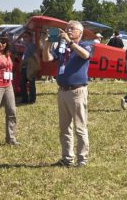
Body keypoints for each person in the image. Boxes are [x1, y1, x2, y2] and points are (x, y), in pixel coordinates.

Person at [43, 20, 92, 167]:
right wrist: (46, 44)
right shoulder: (62, 47)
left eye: (72, 29)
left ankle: (82, 160)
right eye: (67, 29)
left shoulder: (85, 45)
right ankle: (67, 158)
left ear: (80, 33)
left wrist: (70, 42)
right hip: (63, 91)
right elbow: (47, 59)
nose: (68, 31)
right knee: (64, 128)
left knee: (80, 128)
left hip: (77, 91)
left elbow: (85, 55)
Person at [0, 33, 19, 145]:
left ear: (6, 43)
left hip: (8, 86)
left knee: (12, 111)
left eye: (3, 42)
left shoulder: (7, 54)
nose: (0, 44)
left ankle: (11, 139)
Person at [20, 31, 40, 104]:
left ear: (30, 37)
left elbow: (36, 56)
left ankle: (32, 100)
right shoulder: (27, 45)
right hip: (25, 68)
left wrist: (38, 66)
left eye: (25, 36)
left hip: (29, 68)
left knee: (31, 84)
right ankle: (25, 99)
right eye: (23, 37)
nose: (23, 38)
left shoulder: (31, 45)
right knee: (22, 83)